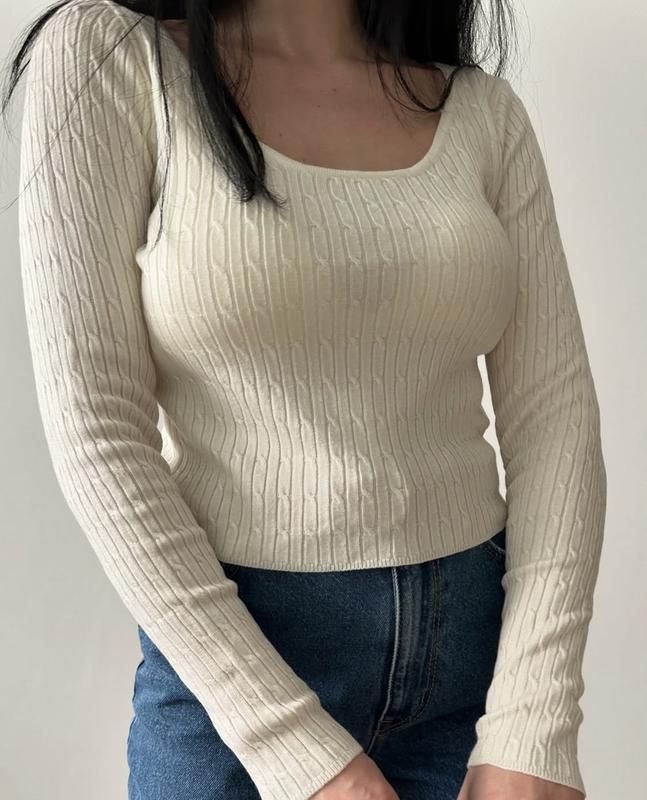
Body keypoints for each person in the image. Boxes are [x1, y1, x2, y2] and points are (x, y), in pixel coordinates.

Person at [7, 0, 607, 798]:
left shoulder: (482, 112)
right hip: (237, 670)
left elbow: (553, 419)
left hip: (474, 675)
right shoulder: (111, 60)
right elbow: (98, 428)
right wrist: (293, 748)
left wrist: (535, 720)